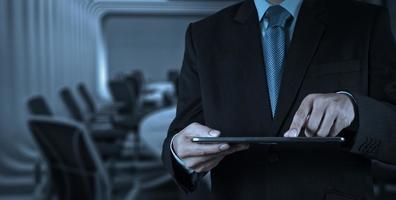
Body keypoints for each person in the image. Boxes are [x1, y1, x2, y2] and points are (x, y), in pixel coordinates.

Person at [161, 0, 396, 199]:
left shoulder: (365, 21)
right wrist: (179, 154)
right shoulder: (203, 36)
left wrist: (356, 111)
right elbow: (180, 136)